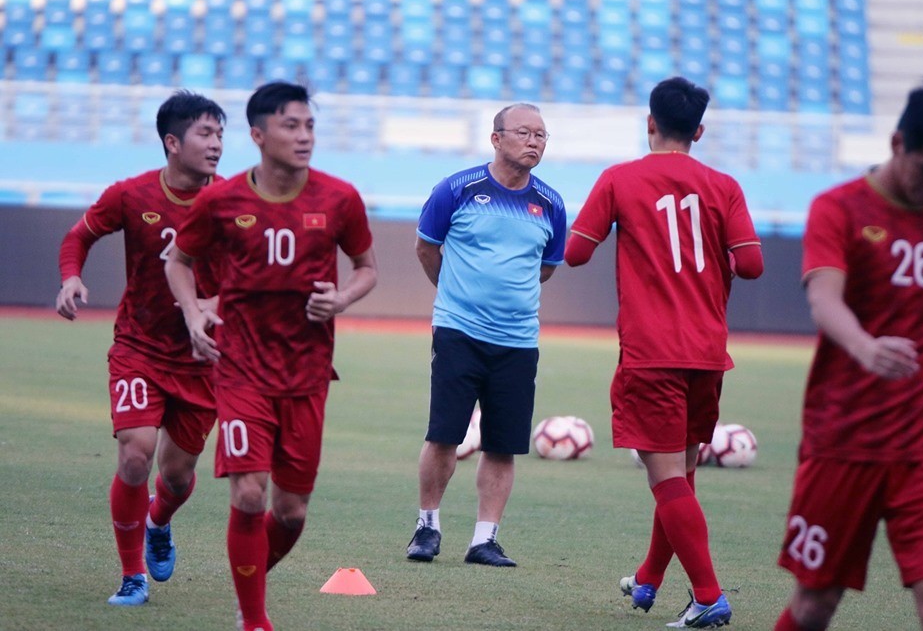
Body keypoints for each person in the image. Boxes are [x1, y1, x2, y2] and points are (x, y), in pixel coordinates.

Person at [165, 81, 377, 631]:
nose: (304, 136)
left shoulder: (340, 198)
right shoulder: (221, 201)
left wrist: (341, 299)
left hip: (308, 374)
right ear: (258, 135)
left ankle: (249, 580)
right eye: (291, 126)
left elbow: (366, 269)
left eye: (309, 126)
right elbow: (178, 261)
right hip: (240, 370)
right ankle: (254, 620)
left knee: (291, 511)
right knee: (250, 493)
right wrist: (192, 313)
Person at [564, 76, 763, 628]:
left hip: (652, 351)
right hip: (707, 350)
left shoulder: (619, 178)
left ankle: (708, 596)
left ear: (649, 123)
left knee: (668, 478)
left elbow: (576, 253)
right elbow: (751, 265)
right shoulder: (724, 185)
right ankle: (649, 577)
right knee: (682, 471)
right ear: (699, 131)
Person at [774, 84, 923, 631]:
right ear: (898, 143)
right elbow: (823, 298)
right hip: (845, 442)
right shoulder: (838, 208)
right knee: (815, 603)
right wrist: (864, 346)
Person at [55, 91, 226, 606]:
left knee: (176, 475)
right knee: (135, 454)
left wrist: (212, 306)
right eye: (205, 133)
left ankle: (158, 521)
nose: (216, 144)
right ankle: (132, 577)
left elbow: (255, 278)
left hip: (202, 359)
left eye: (220, 134)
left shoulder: (235, 204)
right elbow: (77, 237)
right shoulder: (131, 195)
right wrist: (71, 277)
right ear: (172, 142)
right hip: (139, 347)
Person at [405, 103, 566, 568]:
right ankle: (427, 527)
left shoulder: (551, 203)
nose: (534, 141)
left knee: (502, 443)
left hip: (518, 340)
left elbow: (545, 268)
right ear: (496, 139)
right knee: (444, 435)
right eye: (524, 132)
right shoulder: (456, 189)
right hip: (458, 331)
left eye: (541, 135)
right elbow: (426, 247)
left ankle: (484, 539)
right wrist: (456, 296)